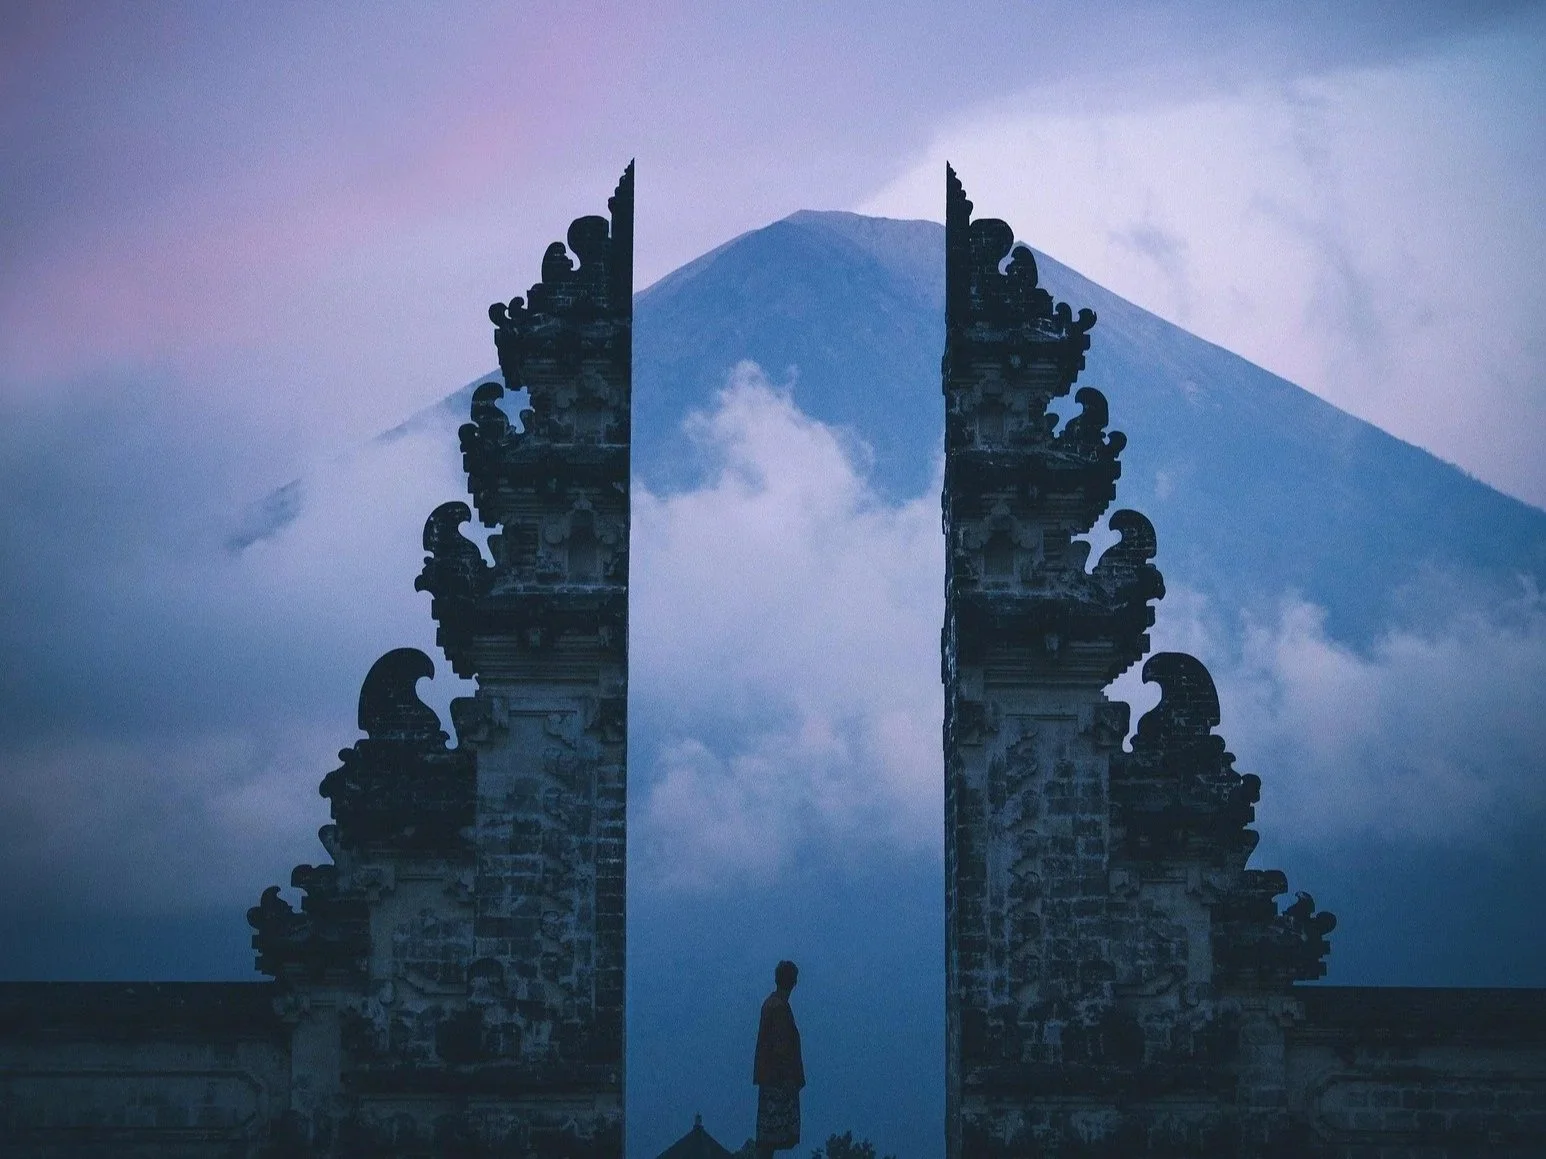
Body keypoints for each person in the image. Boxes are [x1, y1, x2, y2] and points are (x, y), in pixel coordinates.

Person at [753, 960, 805, 1157]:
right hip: (777, 1079)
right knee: (770, 1137)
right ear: (793, 982)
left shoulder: (772, 1004)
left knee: (768, 1137)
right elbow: (781, 1047)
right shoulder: (778, 1008)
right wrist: (789, 1078)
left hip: (770, 1077)